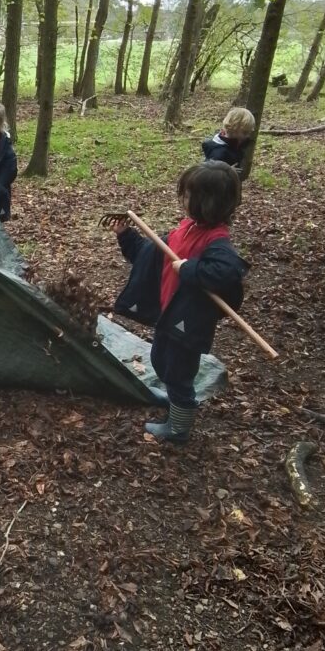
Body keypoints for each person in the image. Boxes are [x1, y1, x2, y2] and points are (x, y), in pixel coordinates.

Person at [111, 162, 248, 443]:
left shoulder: (216, 240)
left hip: (188, 323)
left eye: (188, 195)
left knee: (179, 373)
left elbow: (228, 271)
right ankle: (176, 403)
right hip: (169, 316)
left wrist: (189, 269)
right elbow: (150, 254)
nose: (182, 200)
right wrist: (126, 236)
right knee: (161, 362)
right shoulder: (186, 229)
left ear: (207, 202)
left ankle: (178, 428)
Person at [201, 107, 256, 171]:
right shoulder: (218, 152)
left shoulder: (236, 141)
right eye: (245, 132)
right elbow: (209, 172)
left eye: (249, 132)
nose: (248, 136)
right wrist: (228, 171)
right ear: (233, 128)